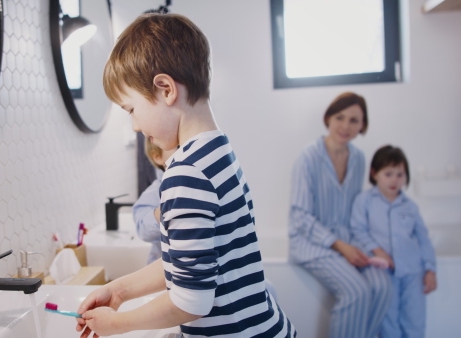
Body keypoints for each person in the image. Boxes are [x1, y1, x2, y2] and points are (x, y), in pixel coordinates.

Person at [76, 13, 295, 338]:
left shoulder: (185, 173)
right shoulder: (218, 151)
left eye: (131, 110)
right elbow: (189, 261)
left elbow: (191, 301)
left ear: (165, 89)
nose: (135, 126)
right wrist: (120, 291)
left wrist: (117, 324)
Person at [288, 92, 391, 338]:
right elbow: (300, 217)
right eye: (340, 117)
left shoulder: (358, 158)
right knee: (357, 291)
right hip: (311, 244)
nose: (345, 126)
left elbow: (356, 213)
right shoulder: (308, 157)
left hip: (347, 240)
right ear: (328, 119)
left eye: (354, 120)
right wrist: (341, 247)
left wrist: (372, 248)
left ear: (362, 125)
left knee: (383, 286)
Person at [350, 145, 437, 338]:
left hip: (413, 273)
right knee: (388, 323)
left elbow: (423, 238)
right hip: (384, 272)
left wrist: (430, 269)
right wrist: (379, 251)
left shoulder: (410, 206)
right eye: (388, 174)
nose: (394, 180)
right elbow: (358, 231)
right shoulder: (364, 201)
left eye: (400, 174)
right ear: (374, 173)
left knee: (415, 321)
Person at [132, 137, 177, 264]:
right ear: (157, 156)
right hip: (161, 268)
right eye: (178, 148)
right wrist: (165, 208)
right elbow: (143, 230)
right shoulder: (154, 192)